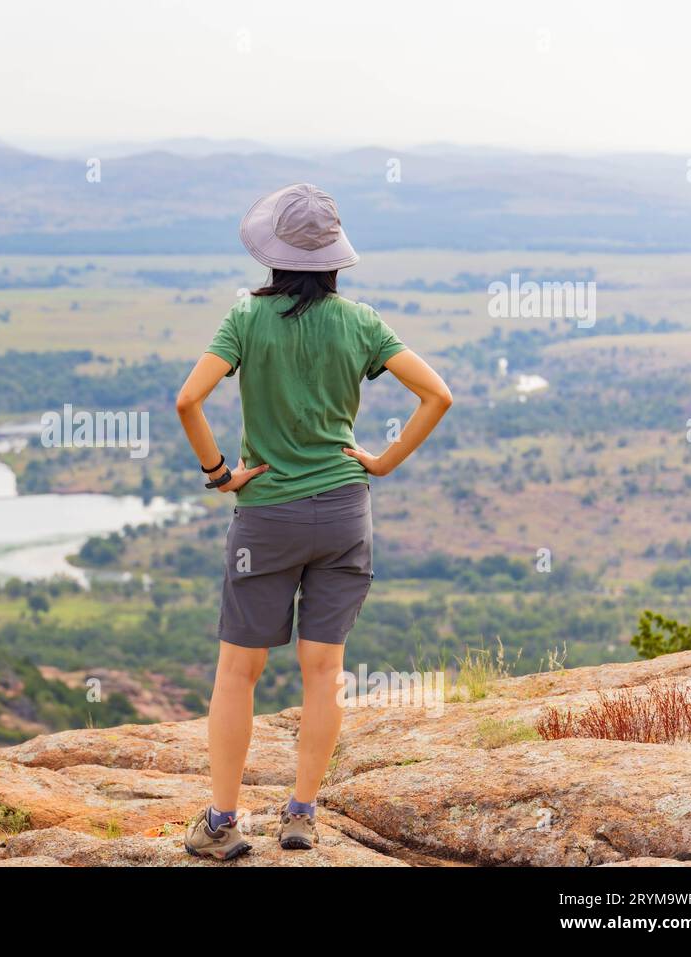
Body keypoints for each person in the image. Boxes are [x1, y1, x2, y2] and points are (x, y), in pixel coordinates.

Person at [175, 184, 453, 859]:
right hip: (343, 512)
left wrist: (220, 474)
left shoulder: (244, 318)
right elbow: (437, 393)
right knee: (323, 671)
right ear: (334, 259)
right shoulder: (360, 322)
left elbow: (189, 399)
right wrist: (382, 461)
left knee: (238, 672)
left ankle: (222, 823)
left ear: (271, 255)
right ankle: (301, 815)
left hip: (266, 515)